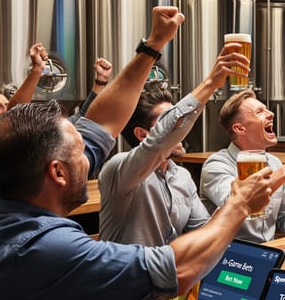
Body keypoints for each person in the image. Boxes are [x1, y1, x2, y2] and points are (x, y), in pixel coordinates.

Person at [0, 6, 274, 300]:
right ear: (57, 173)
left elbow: (105, 121)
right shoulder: (39, 248)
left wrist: (154, 44)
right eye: (81, 156)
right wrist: (239, 205)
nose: (92, 158)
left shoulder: (21, 189)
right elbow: (178, 269)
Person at [98, 42, 250, 247]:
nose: (183, 130)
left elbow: (205, 234)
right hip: (127, 277)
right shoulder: (120, 169)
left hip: (168, 276)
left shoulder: (181, 177)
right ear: (143, 135)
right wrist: (210, 83)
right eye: (171, 124)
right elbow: (158, 144)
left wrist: (238, 200)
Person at [200, 89, 285, 242]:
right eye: (260, 112)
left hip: (267, 253)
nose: (271, 113)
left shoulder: (275, 163)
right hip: (230, 256)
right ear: (239, 128)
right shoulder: (216, 166)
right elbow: (237, 204)